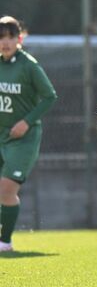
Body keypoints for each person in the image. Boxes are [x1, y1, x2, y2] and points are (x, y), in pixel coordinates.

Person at [0, 16, 57, 252]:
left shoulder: (29, 65)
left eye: (10, 37)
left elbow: (50, 96)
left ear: (19, 38)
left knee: (6, 189)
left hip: (23, 139)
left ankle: (5, 242)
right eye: (1, 37)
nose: (5, 42)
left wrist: (26, 121)